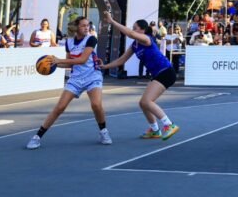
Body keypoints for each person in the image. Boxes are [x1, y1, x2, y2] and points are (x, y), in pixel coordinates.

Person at [26, 18, 111, 149]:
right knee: (60, 107)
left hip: (92, 76)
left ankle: (103, 131)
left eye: (87, 25)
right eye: (83, 26)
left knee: (96, 104)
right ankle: (37, 137)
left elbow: (82, 60)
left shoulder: (91, 39)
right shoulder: (69, 42)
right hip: (76, 78)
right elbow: (68, 62)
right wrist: (54, 64)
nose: (86, 28)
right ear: (76, 27)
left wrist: (59, 60)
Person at [102, 14, 180, 141]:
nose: (133, 30)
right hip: (158, 74)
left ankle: (169, 124)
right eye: (132, 28)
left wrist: (112, 21)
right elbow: (121, 60)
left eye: (135, 28)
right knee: (143, 103)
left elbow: (130, 34)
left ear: (143, 30)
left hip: (166, 71)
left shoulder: (147, 39)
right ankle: (155, 130)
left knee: (146, 101)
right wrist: (105, 66)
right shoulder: (135, 45)